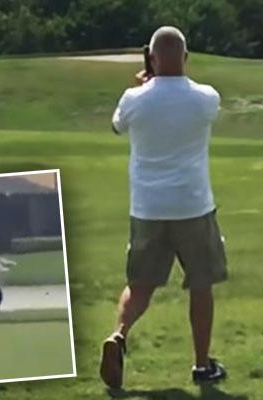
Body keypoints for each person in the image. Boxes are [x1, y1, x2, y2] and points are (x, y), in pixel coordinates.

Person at [101, 26, 228, 389]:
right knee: (201, 285)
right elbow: (194, 105)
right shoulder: (206, 98)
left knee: (139, 285)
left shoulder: (134, 98)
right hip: (193, 204)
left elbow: (116, 127)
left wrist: (144, 86)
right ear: (186, 58)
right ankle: (202, 366)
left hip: (147, 208)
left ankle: (119, 335)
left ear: (152, 58)